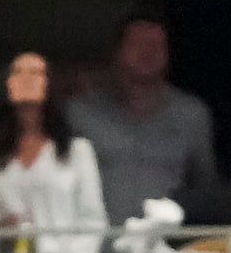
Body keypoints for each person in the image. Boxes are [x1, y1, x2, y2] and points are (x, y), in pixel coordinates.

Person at [67, 16, 220, 226]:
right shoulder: (81, 113)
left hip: (167, 250)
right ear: (117, 51)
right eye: (138, 44)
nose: (148, 52)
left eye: (156, 45)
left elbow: (205, 188)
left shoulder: (192, 114)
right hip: (96, 250)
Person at [0, 51, 107, 253]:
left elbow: (93, 220)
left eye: (36, 73)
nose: (26, 78)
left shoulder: (76, 151)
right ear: (6, 84)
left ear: (49, 84)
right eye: (17, 72)